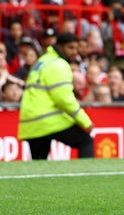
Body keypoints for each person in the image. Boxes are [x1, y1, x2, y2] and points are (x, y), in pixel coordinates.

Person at [17, 32, 95, 160]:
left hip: (31, 122)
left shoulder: (42, 61)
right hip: (49, 120)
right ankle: (87, 177)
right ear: (59, 47)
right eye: (70, 47)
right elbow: (64, 99)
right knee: (85, 141)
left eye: (76, 48)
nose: (75, 52)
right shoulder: (59, 64)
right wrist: (85, 122)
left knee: (38, 167)